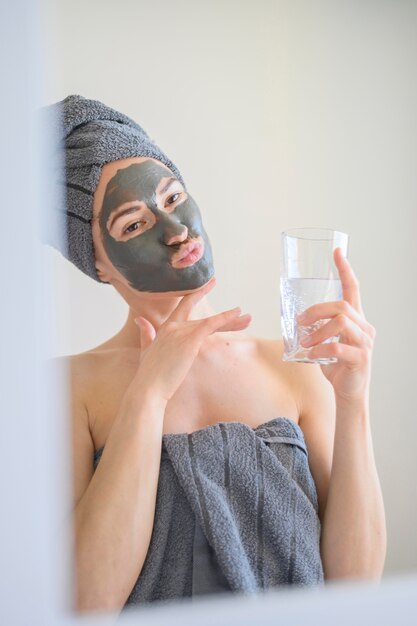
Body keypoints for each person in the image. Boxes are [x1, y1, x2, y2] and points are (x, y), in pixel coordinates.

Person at [43, 95, 386, 614]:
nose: (176, 231)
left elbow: (355, 587)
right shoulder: (66, 390)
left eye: (174, 197)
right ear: (98, 264)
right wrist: (149, 394)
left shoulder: (292, 366)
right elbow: (85, 602)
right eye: (133, 224)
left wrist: (355, 399)